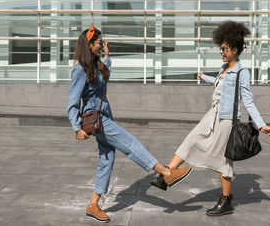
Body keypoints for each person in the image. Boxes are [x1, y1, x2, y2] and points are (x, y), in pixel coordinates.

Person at [150, 21, 270, 216]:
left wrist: (261, 126)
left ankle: (226, 200)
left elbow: (248, 101)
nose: (221, 51)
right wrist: (204, 77)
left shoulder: (241, 73)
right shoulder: (223, 69)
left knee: (223, 161)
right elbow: (219, 82)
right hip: (211, 115)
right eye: (220, 48)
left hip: (227, 121)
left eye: (224, 48)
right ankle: (167, 173)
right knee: (191, 139)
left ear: (235, 49)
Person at [67, 25, 192, 223]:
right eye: (99, 43)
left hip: (104, 115)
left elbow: (104, 76)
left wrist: (106, 56)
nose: (102, 45)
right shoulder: (80, 71)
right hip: (96, 119)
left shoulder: (96, 64)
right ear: (89, 44)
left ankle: (93, 205)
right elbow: (72, 102)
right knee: (130, 143)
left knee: (107, 159)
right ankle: (166, 173)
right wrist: (76, 128)